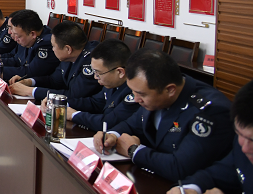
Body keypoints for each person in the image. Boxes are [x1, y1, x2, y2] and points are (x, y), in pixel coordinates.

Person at [94, 49, 233, 183]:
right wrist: (112, 135)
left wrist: (134, 151)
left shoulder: (210, 111)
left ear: (170, 90)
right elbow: (132, 124)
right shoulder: (154, 92)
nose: (135, 99)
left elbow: (180, 167)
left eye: (141, 94)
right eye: (133, 91)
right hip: (154, 178)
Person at [167, 81, 253, 194]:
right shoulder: (243, 143)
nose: (244, 147)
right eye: (239, 133)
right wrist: (189, 189)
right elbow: (217, 173)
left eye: (252, 139)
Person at [10, 21, 100, 103]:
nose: (52, 50)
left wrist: (30, 91)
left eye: (53, 46)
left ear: (68, 49)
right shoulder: (69, 56)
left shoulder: (92, 61)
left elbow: (73, 95)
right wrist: (29, 82)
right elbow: (54, 81)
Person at [61, 39, 136, 132]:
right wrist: (62, 103)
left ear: (120, 72)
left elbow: (108, 122)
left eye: (98, 73)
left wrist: (74, 115)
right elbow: (94, 103)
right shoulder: (112, 83)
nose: (95, 77)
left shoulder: (134, 92)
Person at [0, 9, 59, 79]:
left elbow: (30, 72)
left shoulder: (46, 44)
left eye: (18, 36)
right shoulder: (27, 38)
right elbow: (17, 60)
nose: (15, 38)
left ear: (32, 34)